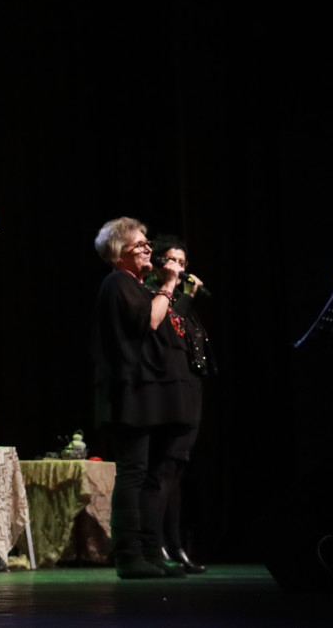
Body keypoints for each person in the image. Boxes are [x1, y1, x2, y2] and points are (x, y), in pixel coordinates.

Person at [91, 217, 203, 579]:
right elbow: (149, 322)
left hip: (152, 394)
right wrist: (170, 284)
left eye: (146, 244)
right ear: (120, 252)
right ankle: (129, 556)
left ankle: (152, 554)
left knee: (154, 474)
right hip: (131, 393)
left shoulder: (140, 286)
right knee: (134, 473)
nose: (148, 250)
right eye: (140, 245)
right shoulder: (117, 283)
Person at [147, 235, 213, 574]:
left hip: (191, 386)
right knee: (163, 471)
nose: (179, 268)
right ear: (158, 262)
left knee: (177, 471)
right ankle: (155, 545)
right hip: (167, 391)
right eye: (173, 261)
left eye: (183, 263)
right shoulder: (151, 292)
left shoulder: (179, 298)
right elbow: (166, 329)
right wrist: (182, 293)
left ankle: (175, 545)